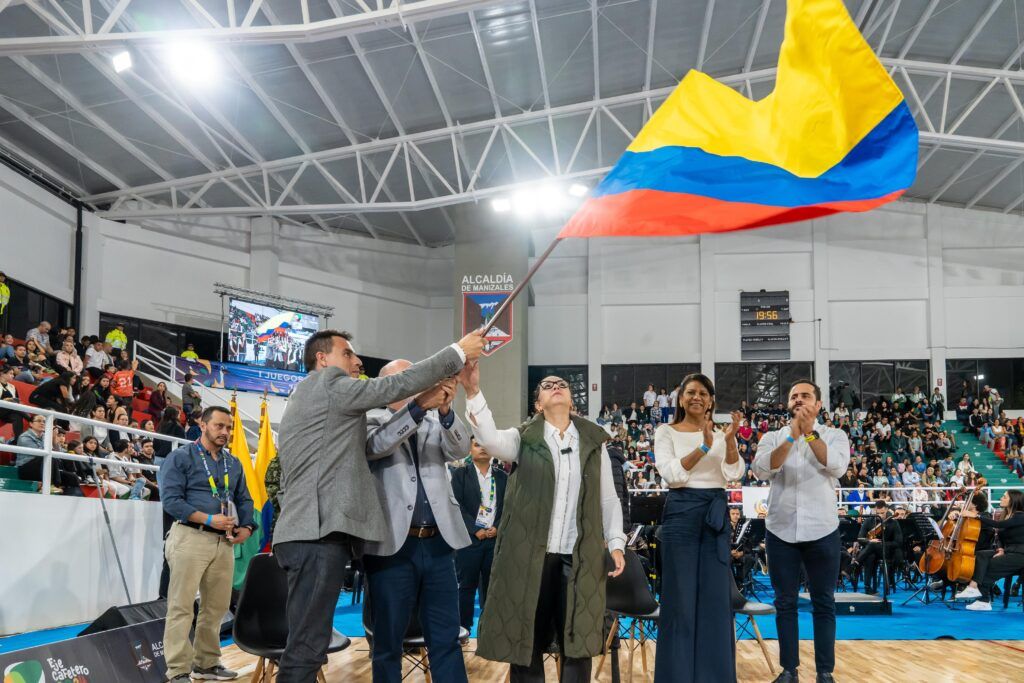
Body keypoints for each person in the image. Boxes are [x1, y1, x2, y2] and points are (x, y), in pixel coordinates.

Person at [272, 329, 483, 683]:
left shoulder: (329, 403)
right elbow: (378, 438)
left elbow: (460, 449)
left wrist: (442, 410)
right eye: (348, 354)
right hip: (357, 539)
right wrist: (457, 353)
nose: (357, 362)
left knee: (310, 645)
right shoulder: (349, 402)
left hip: (429, 542)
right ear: (322, 359)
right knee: (317, 646)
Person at [463, 363, 625, 683]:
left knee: (576, 643)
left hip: (577, 559)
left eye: (561, 384)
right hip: (530, 559)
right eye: (547, 386)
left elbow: (608, 499)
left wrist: (617, 543)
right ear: (538, 404)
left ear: (571, 399)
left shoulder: (594, 443)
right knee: (527, 642)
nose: (555, 387)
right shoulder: (523, 438)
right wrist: (472, 392)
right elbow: (490, 439)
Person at [362, 360, 471, 683]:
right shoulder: (371, 419)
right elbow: (377, 446)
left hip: (439, 544)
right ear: (387, 387)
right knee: (388, 642)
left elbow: (461, 448)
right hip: (392, 547)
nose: (417, 383)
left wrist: (448, 410)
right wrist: (419, 407)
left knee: (446, 638)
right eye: (406, 378)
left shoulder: (435, 419)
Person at [752, 380, 850, 683]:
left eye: (805, 395)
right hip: (781, 530)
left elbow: (836, 467)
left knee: (824, 602)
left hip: (823, 529)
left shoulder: (835, 436)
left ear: (818, 404)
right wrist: (792, 437)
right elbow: (761, 469)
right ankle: (789, 670)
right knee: (785, 603)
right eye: (793, 396)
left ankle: (824, 672)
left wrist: (808, 434)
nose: (798, 400)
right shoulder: (772, 437)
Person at [652, 373, 744, 683]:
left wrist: (728, 442)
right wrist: (704, 448)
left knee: (716, 600)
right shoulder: (666, 432)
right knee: (680, 599)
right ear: (680, 399)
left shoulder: (720, 434)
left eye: (703, 393)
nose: (697, 397)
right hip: (681, 514)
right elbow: (672, 476)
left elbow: (734, 472)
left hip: (715, 514)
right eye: (690, 392)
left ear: (711, 400)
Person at [158, 406, 255, 682]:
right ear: (203, 424)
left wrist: (247, 527)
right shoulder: (180, 458)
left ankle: (206, 664)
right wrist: (210, 519)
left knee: (216, 606)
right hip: (190, 536)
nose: (225, 432)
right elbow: (172, 502)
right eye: (219, 426)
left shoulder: (232, 463)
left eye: (229, 428)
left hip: (223, 542)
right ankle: (177, 670)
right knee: (181, 606)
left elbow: (245, 499)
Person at [451, 437, 507, 631]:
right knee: (466, 587)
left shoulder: (502, 477)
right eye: (477, 445)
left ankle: (489, 629)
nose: (482, 448)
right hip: (469, 541)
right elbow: (456, 506)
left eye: (486, 444)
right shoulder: (460, 474)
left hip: (494, 540)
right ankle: (463, 628)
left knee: (492, 588)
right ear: (469, 449)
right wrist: (476, 530)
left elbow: (508, 507)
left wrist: (498, 527)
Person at [957, 490, 1024, 610]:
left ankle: (983, 600)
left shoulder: (1020, 516)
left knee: (989, 564)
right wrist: (1000, 548)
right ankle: (973, 588)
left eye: (1004, 497)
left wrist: (977, 516)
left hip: (1020, 555)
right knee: (980, 555)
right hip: (1009, 551)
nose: (1001, 498)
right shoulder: (1006, 515)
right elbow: (999, 536)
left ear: (1013, 500)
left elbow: (998, 525)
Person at [852, 501, 902, 595]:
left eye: (882, 513)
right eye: (877, 513)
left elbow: (898, 542)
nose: (880, 515)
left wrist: (881, 543)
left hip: (887, 550)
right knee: (870, 556)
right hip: (870, 552)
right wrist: (870, 541)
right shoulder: (868, 521)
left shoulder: (893, 522)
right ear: (875, 510)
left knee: (871, 546)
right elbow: (860, 538)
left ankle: (855, 564)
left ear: (887, 510)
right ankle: (868, 588)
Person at [0, 366, 25, 438]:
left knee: (17, 416)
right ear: (2, 374)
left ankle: (18, 440)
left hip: (9, 411)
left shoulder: (12, 387)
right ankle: (30, 419)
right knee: (15, 407)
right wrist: (5, 400)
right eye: (10, 373)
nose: (13, 376)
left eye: (13, 374)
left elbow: (17, 400)